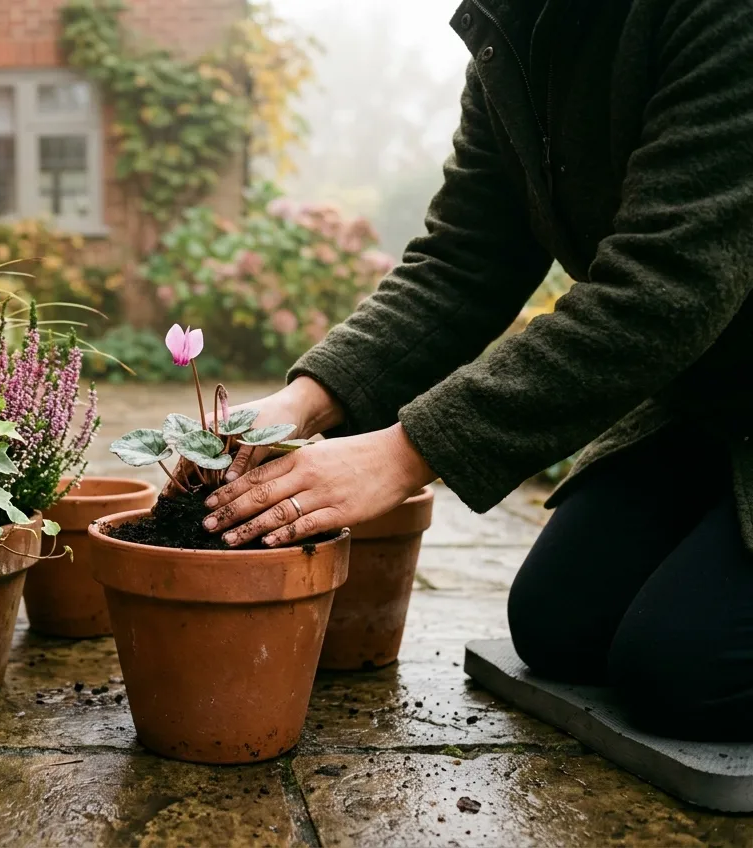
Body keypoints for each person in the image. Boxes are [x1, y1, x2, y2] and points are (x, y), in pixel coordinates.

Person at [200, 0, 753, 741]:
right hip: (719, 406)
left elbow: (665, 290)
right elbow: (465, 262)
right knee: (561, 627)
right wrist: (307, 400)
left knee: (686, 674)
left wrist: (404, 453)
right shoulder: (517, 31)